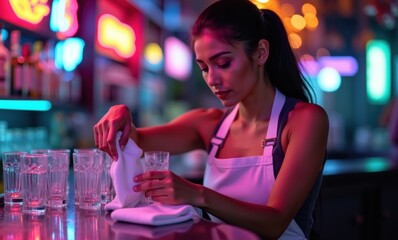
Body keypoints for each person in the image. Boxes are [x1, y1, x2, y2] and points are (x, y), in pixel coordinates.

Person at [94, 0, 329, 239]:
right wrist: (119, 113)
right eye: (204, 67)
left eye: (223, 63)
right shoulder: (209, 124)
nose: (212, 79)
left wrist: (198, 195)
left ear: (260, 53)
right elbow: (136, 139)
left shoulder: (305, 121)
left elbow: (274, 223)